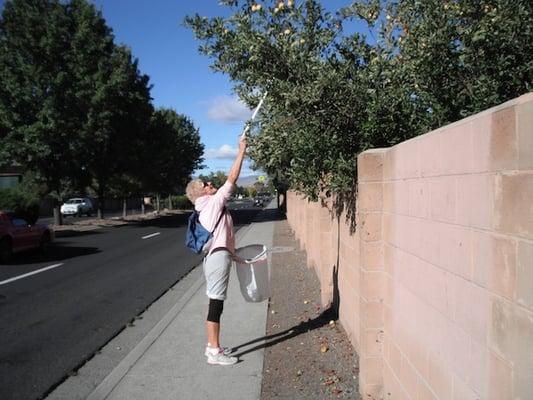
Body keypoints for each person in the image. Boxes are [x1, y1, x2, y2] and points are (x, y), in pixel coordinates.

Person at [185, 135, 247, 366]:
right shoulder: (212, 203)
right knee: (216, 303)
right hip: (217, 260)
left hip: (217, 257)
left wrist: (234, 254)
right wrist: (241, 150)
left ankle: (212, 346)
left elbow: (224, 235)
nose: (211, 184)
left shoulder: (204, 207)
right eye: (206, 184)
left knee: (215, 301)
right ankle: (214, 351)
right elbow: (232, 176)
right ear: (202, 193)